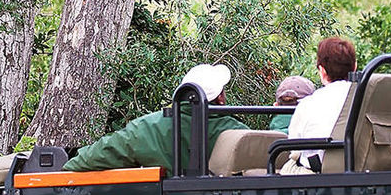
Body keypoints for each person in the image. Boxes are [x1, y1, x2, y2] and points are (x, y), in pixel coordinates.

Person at [65, 63, 249, 173]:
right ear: (220, 97)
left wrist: (64, 169)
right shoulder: (239, 133)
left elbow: (93, 157)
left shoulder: (147, 127)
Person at [284, 37, 357, 169]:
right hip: (364, 171)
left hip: (318, 176)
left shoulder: (308, 105)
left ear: (322, 71)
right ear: (355, 67)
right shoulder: (368, 98)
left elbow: (294, 149)